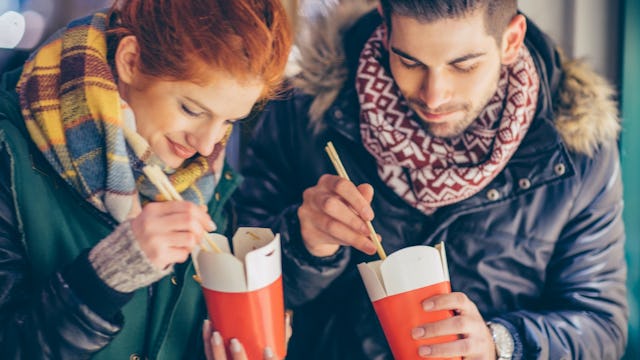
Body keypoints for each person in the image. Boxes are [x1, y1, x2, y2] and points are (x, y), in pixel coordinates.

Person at [233, 0, 628, 359]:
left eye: (463, 65)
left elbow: (602, 325)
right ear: (385, 29)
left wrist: (501, 343)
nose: (434, 96)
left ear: (511, 41)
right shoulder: (301, 113)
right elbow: (235, 285)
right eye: (410, 62)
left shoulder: (577, 150)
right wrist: (305, 245)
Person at [0, 0, 291, 358]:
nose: (205, 145)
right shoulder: (7, 150)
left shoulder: (207, 180)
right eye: (192, 109)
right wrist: (105, 277)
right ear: (131, 61)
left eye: (229, 121)